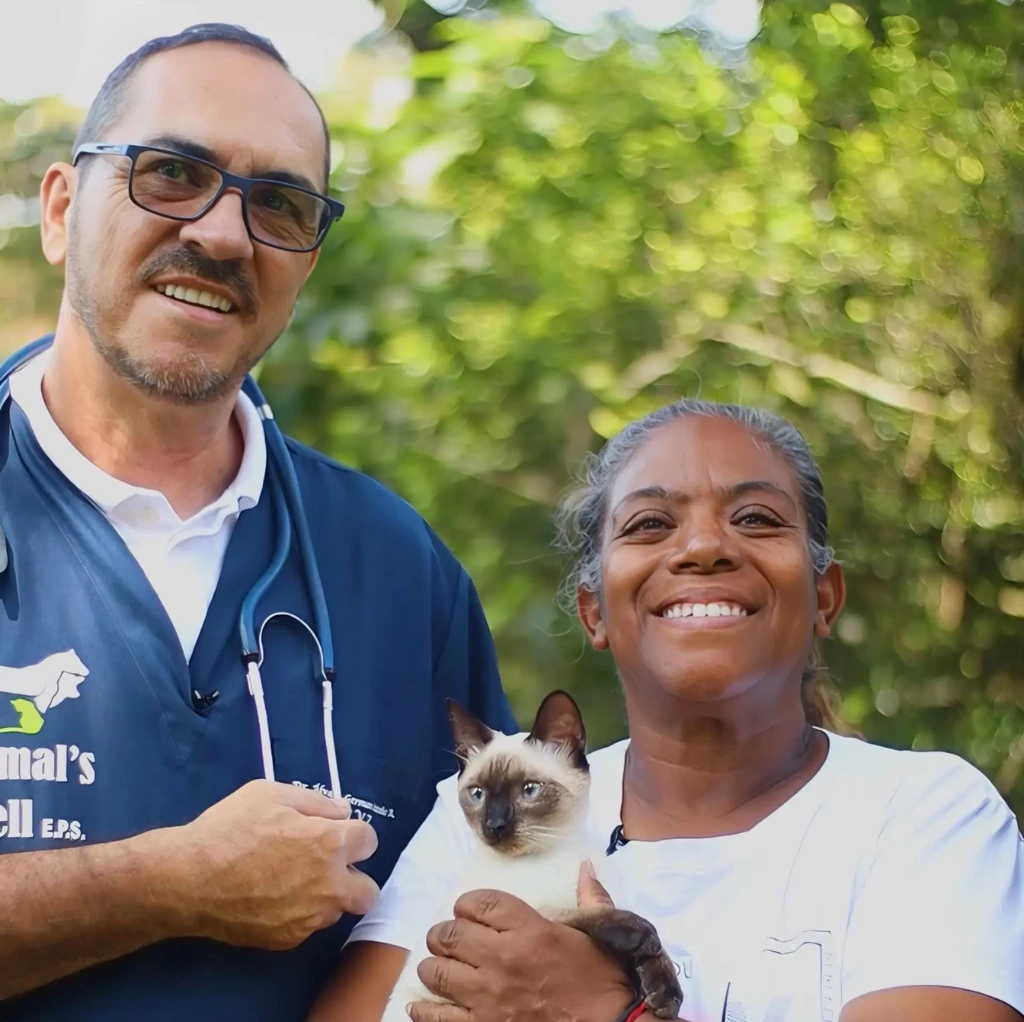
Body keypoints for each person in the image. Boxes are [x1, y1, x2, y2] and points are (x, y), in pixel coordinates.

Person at [0, 22, 515, 1022]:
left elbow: (484, 927)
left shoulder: (398, 572)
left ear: (307, 263)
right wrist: (168, 884)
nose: (224, 234)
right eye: (171, 173)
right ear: (61, 209)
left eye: (278, 203)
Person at [310, 400, 1024, 1022]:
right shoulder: (471, 818)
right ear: (595, 611)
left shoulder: (925, 816)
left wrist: (601, 1010)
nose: (705, 546)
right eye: (650, 524)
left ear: (825, 598)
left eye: (755, 517)